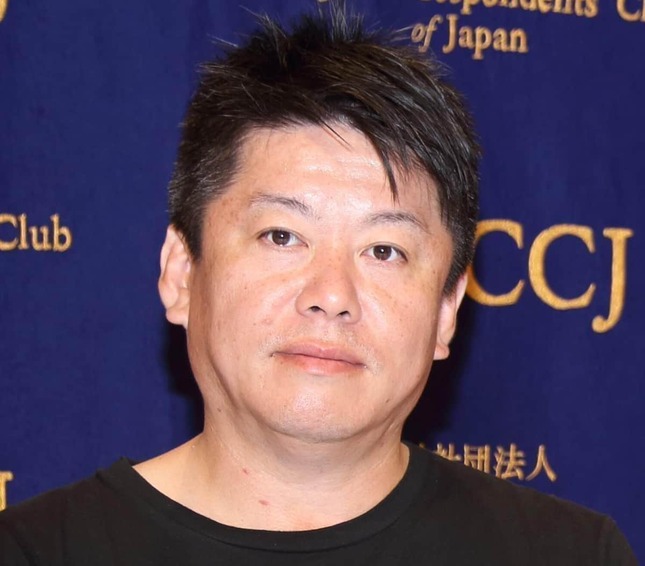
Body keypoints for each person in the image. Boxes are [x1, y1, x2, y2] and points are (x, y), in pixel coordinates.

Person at [0, 4, 636, 564]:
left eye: (384, 250)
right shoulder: (38, 550)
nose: (331, 295)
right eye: (282, 236)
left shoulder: (569, 554)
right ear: (181, 272)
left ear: (447, 309)